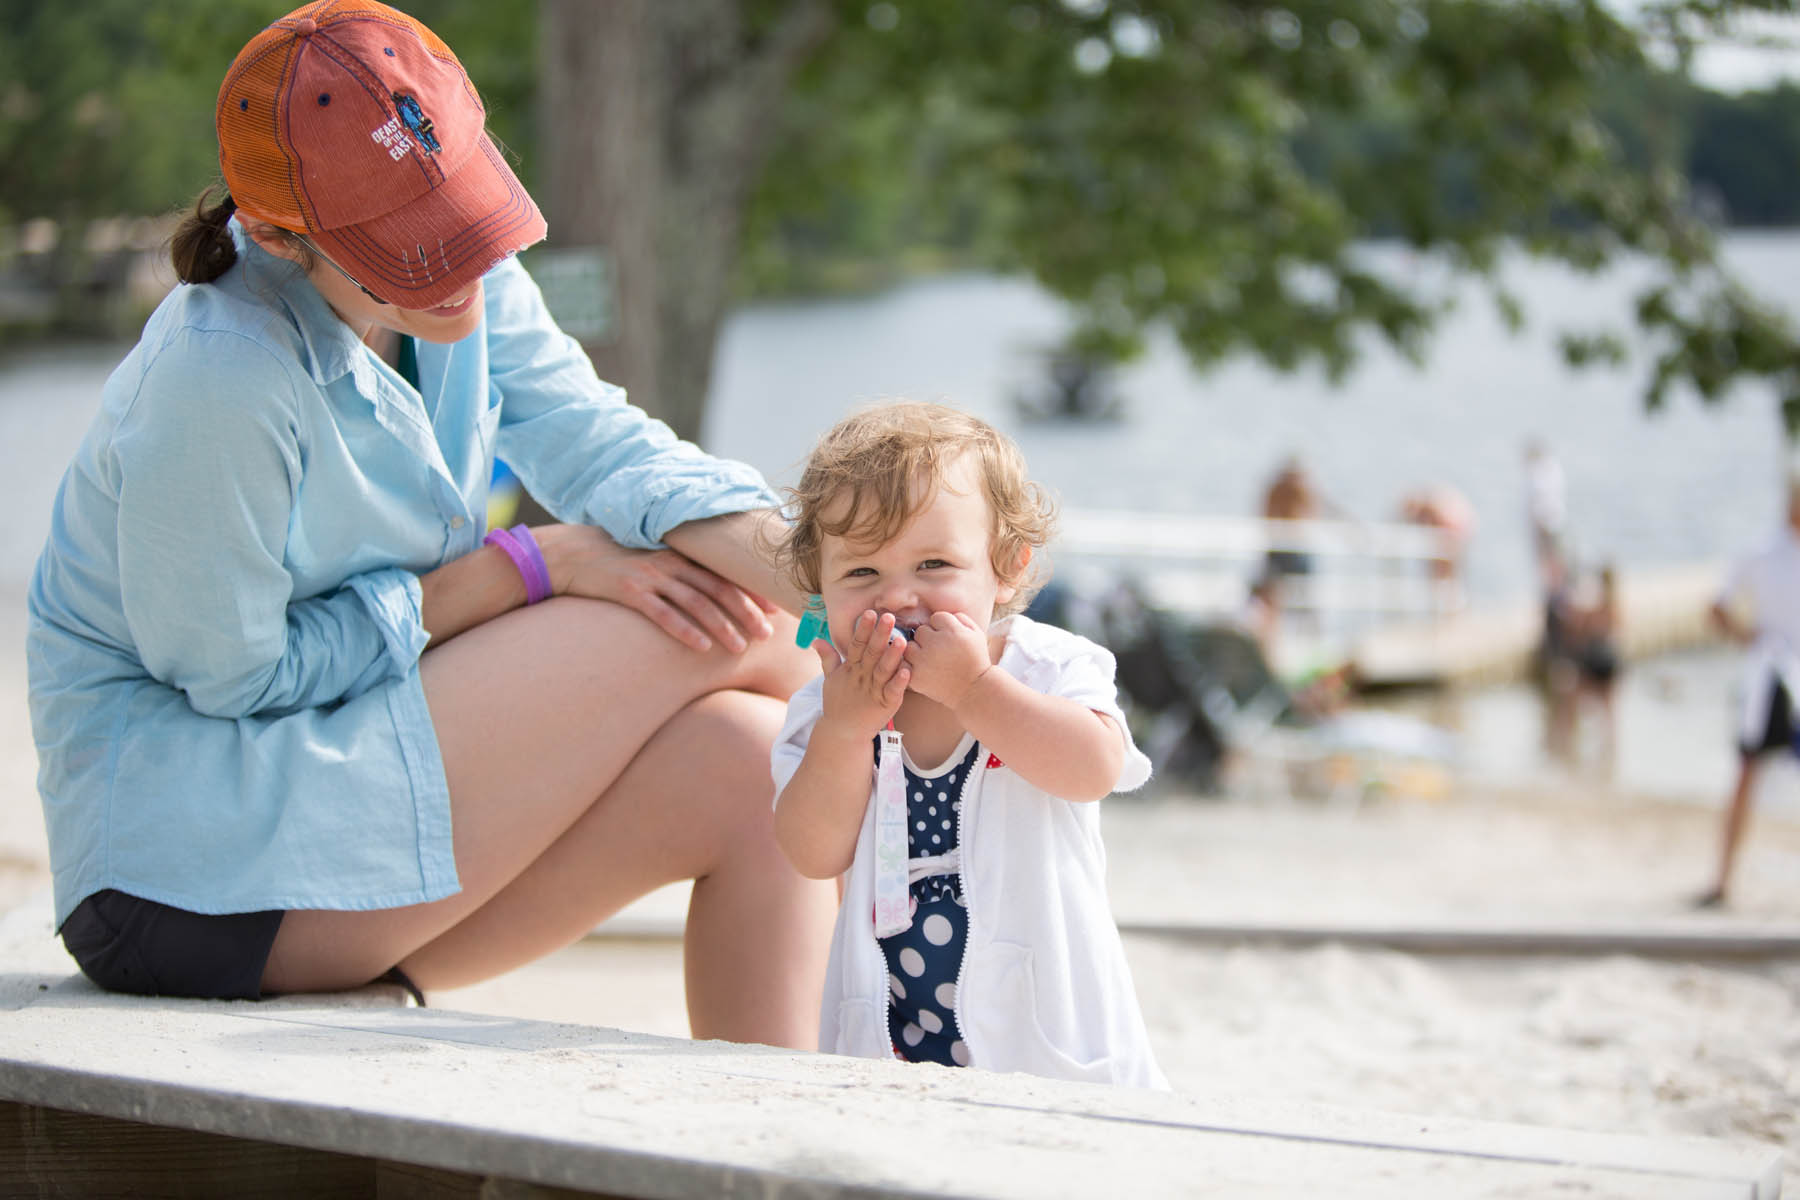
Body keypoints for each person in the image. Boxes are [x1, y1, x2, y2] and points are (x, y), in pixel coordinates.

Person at [26, 1, 836, 1046]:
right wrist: (525, 565)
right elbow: (235, 679)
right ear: (277, 233)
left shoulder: (455, 251)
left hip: (343, 812)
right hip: (188, 883)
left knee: (757, 756)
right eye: (412, 250)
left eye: (463, 219)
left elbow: (600, 444)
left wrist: (850, 586)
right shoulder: (219, 379)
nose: (461, 272)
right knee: (730, 631)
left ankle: (786, 1146)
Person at [766, 402, 1166, 1087]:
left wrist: (977, 690)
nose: (897, 598)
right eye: (860, 574)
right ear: (818, 585)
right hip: (891, 1032)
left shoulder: (1045, 667)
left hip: (1046, 1035)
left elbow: (1094, 769)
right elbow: (811, 851)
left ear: (1006, 568)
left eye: (933, 564)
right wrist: (845, 730)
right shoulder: (830, 703)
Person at [1694, 478, 1800, 909]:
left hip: (1773, 670)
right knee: (1746, 775)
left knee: (1746, 775)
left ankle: (1723, 879)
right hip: (1773, 674)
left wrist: (1749, 637)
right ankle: (1723, 878)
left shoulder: (1761, 552)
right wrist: (1751, 638)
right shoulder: (1762, 552)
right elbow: (1717, 608)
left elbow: (1717, 608)